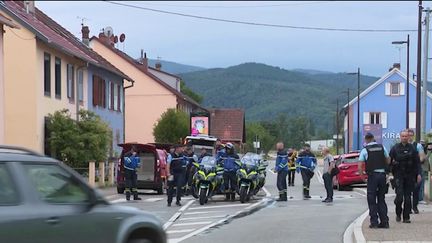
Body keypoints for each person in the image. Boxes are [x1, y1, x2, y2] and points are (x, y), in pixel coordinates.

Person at [358, 133, 390, 228]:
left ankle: (374, 222)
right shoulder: (382, 147)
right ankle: (384, 222)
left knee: (371, 199)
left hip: (372, 176)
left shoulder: (365, 150)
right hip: (382, 175)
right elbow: (388, 160)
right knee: (381, 198)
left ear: (366, 140)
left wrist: (362, 177)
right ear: (373, 138)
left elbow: (360, 166)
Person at [390, 130, 421, 223]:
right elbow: (389, 162)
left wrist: (418, 174)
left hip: (409, 175)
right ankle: (398, 213)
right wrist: (390, 174)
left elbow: (417, 162)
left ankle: (406, 217)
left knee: (407, 198)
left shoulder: (412, 148)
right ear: (400, 137)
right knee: (399, 197)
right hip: (399, 175)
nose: (404, 138)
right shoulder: (395, 148)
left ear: (408, 137)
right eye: (403, 136)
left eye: (406, 136)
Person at [406, 129, 426, 214]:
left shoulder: (417, 146)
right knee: (407, 190)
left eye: (411, 135)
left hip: (415, 170)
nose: (410, 137)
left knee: (416, 189)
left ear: (413, 136)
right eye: (408, 135)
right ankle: (408, 207)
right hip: (406, 170)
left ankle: (415, 206)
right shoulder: (403, 146)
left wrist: (416, 161)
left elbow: (422, 157)